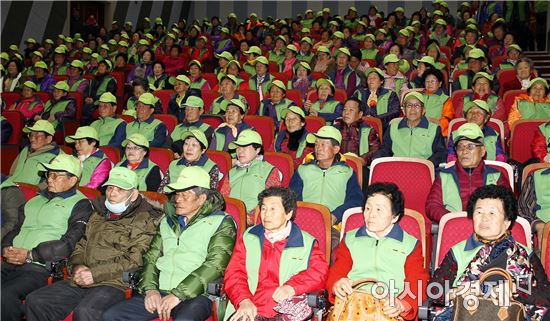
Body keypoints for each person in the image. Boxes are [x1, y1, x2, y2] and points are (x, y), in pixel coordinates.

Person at [25, 167, 163, 321]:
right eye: (110, 188)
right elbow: (81, 245)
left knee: (87, 311)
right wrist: (78, 266)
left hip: (113, 282)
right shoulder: (98, 213)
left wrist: (94, 274)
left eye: (120, 189)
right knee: (37, 300)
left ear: (133, 194)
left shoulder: (145, 219)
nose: (112, 193)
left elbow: (134, 260)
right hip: (81, 277)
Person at [103, 166, 237, 321]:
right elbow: (151, 257)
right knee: (111, 316)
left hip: (196, 294)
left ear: (201, 199)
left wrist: (178, 294)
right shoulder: (167, 221)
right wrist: (150, 289)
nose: (178, 199)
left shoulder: (222, 222)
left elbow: (215, 265)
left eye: (185, 195)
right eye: (178, 194)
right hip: (160, 289)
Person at [430, 185, 550, 321]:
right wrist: (458, 292)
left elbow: (546, 294)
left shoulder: (525, 253)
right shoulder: (458, 251)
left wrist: (515, 290)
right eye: (479, 212)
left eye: (492, 213)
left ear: (507, 222)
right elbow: (433, 290)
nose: (484, 218)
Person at [1, 154, 93, 321]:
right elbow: (15, 228)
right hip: (9, 261)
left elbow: (70, 243)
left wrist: (30, 254)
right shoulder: (34, 200)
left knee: (4, 295)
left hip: (40, 267)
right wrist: (5, 247)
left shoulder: (81, 205)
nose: (50, 179)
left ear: (72, 180)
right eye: (48, 174)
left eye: (56, 175)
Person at [326, 183, 429, 321]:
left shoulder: (409, 244)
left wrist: (403, 304)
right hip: (353, 306)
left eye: (379, 210)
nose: (371, 215)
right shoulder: (351, 239)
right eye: (367, 208)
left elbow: (417, 280)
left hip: (389, 308)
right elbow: (338, 269)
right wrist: (337, 283)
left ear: (395, 216)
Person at [224, 186, 328, 321]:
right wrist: (243, 299)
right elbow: (234, 272)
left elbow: (319, 272)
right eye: (263, 208)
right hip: (249, 307)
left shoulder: (306, 242)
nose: (266, 214)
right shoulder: (249, 237)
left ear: (288, 213)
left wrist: (292, 287)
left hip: (283, 312)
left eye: (273, 209)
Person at [426, 123, 510, 222]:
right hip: (454, 229)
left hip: (488, 229)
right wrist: (452, 219)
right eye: (460, 147)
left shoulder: (496, 176)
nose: (464, 151)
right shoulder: (444, 175)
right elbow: (432, 206)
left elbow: (508, 205)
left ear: (482, 151)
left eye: (470, 146)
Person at [289, 126, 364, 226]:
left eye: (323, 144)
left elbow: (356, 200)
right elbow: (292, 198)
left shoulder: (347, 172)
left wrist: (336, 215)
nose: (318, 148)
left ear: (336, 149)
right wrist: (303, 216)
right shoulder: (303, 170)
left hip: (334, 224)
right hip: (303, 222)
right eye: (316, 144)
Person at [220, 129, 282, 220]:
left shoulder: (269, 170)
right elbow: (223, 199)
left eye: (245, 147)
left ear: (257, 150)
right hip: (229, 218)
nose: (240, 151)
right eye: (238, 147)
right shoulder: (231, 172)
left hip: (255, 220)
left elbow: (272, 201)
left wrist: (251, 217)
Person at [374, 91, 447, 167]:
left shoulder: (434, 129)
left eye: (417, 105)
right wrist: (376, 158)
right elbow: (385, 150)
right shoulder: (393, 127)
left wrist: (427, 165)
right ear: (404, 110)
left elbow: (441, 153)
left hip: (422, 170)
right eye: (409, 105)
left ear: (423, 110)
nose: (412, 109)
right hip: (396, 169)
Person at [1, 120, 61, 187]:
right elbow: (12, 173)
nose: (32, 138)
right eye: (31, 134)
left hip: (27, 191)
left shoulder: (56, 156)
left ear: (48, 139)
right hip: (9, 185)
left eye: (37, 135)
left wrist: (36, 189)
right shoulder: (26, 149)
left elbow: (53, 183)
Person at [333, 97, 381, 166]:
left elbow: (376, 150)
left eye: (351, 110)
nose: (346, 112)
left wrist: (363, 159)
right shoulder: (335, 129)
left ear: (360, 114)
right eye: (344, 109)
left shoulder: (368, 130)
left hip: (359, 166)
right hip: (337, 166)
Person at [354, 67, 400, 131]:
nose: (371, 80)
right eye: (369, 78)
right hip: (361, 126)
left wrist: (376, 119)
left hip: (383, 127)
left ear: (381, 81)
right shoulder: (359, 93)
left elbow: (395, 111)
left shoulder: (390, 94)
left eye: (374, 78)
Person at [421, 68, 454, 137]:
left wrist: (428, 120)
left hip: (436, 133)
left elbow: (445, 122)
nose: (429, 84)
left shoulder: (446, 99)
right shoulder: (418, 97)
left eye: (433, 81)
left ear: (440, 83)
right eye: (427, 81)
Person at [82, 59, 117, 125]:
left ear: (107, 69)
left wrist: (94, 99)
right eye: (99, 66)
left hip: (101, 102)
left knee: (87, 110)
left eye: (103, 66)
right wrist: (86, 97)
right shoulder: (93, 79)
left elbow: (109, 95)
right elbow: (86, 90)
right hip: (90, 101)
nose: (100, 68)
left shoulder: (111, 80)